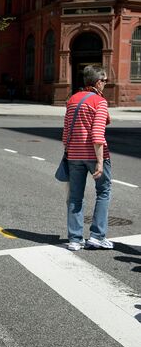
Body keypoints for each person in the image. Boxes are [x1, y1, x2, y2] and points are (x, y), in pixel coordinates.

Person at [63, 65, 113, 251]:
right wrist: (100, 161)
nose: (106, 84)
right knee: (104, 192)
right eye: (105, 81)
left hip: (74, 155)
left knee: (75, 196)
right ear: (98, 82)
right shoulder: (99, 102)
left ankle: (75, 239)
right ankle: (97, 236)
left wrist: (70, 151)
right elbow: (98, 134)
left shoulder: (72, 99)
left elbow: (66, 131)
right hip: (94, 155)